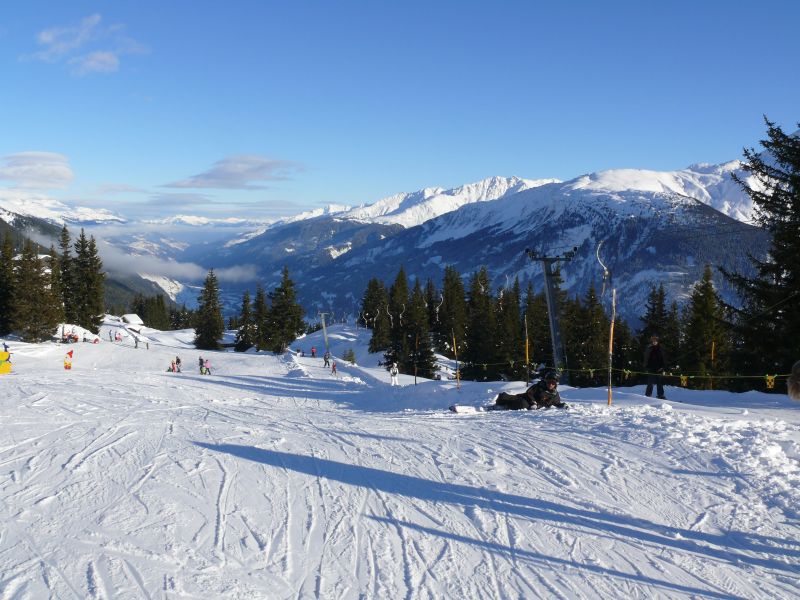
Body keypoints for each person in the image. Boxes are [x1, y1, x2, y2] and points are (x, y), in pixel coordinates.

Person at [494, 369, 566, 410]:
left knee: (524, 405)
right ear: (546, 381)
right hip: (526, 399)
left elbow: (557, 403)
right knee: (522, 404)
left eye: (553, 383)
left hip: (535, 406)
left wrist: (563, 406)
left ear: (556, 384)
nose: (550, 384)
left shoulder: (554, 394)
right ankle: (503, 404)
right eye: (549, 382)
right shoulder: (539, 386)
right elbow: (529, 393)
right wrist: (533, 402)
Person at [643, 334, 667, 399]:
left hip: (659, 368)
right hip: (651, 368)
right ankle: (648, 395)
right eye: (653, 341)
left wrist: (664, 367)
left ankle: (660, 395)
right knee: (650, 382)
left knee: (659, 382)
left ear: (657, 341)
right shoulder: (649, 348)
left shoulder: (661, 348)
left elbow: (664, 358)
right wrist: (646, 367)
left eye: (655, 341)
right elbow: (646, 358)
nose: (654, 342)